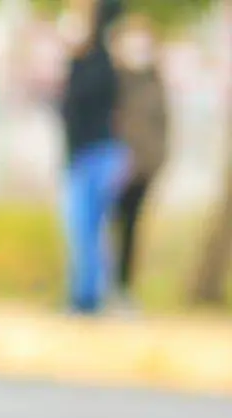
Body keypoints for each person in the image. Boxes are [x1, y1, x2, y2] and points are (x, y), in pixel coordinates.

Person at [59, 0, 128, 315]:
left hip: (100, 154)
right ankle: (83, 296)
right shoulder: (79, 63)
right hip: (80, 155)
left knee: (94, 231)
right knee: (80, 231)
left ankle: (95, 297)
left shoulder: (101, 62)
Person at [110, 11, 167, 308]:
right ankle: (100, 288)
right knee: (106, 229)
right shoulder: (115, 80)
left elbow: (163, 126)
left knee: (131, 230)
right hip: (115, 167)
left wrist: (155, 161)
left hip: (144, 168)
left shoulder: (154, 80)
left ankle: (123, 288)